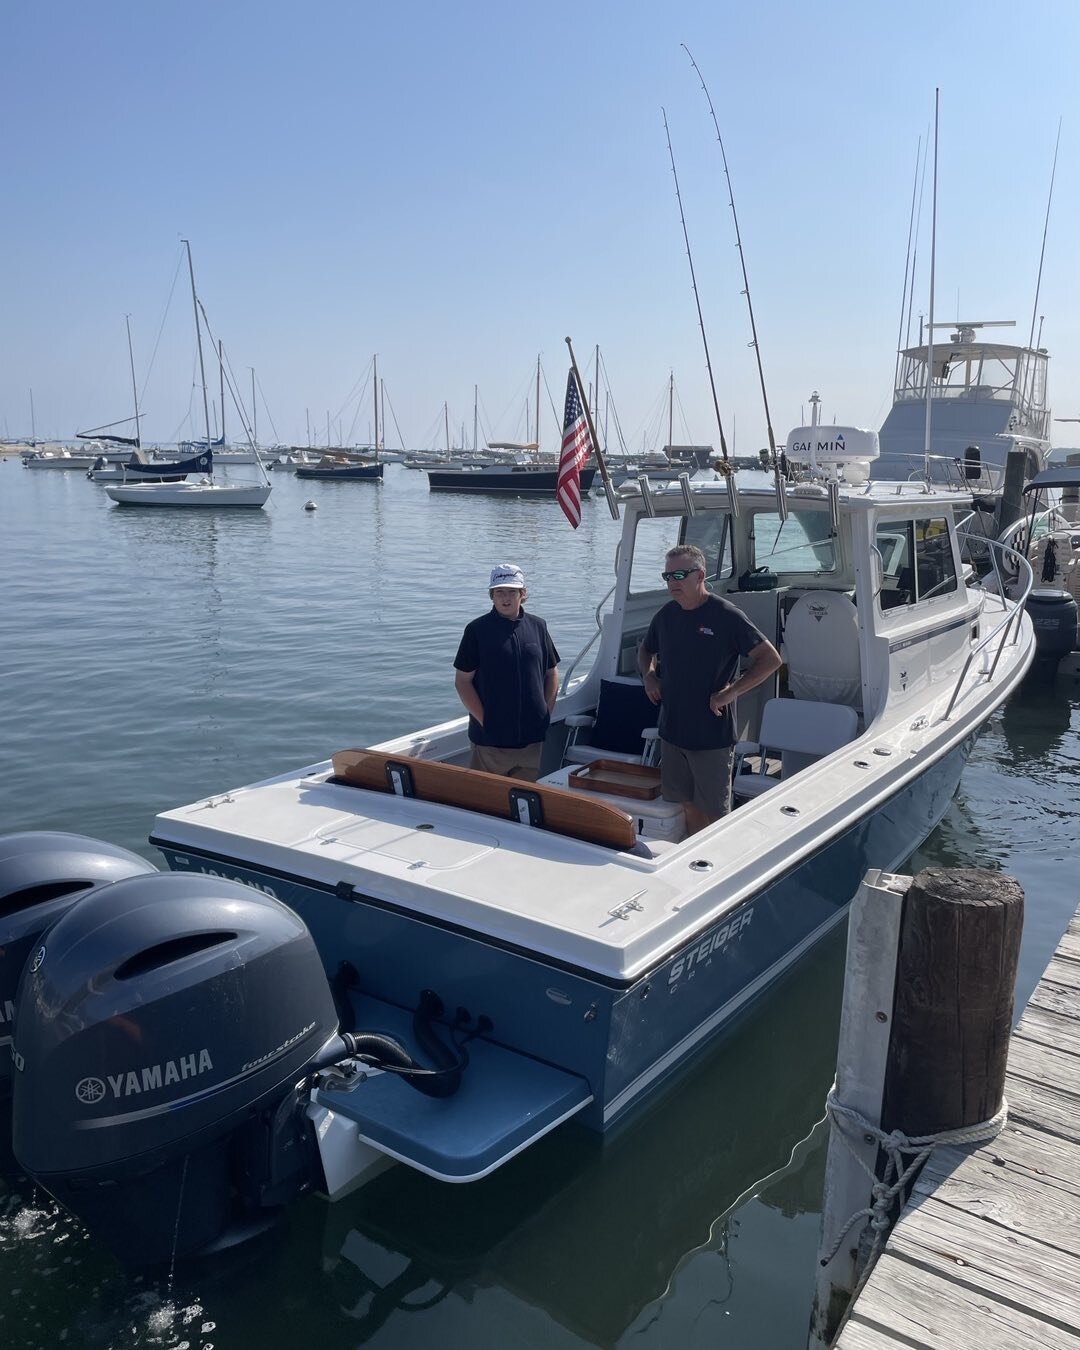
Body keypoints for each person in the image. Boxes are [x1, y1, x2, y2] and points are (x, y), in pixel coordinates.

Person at [638, 544, 782, 833]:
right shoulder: (666, 615)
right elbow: (644, 650)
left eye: (679, 574)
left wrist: (730, 693)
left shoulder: (726, 615)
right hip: (672, 732)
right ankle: (693, 858)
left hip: (712, 735)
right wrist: (649, 677)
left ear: (700, 574)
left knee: (716, 813)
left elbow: (770, 660)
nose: (672, 582)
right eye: (667, 576)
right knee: (686, 804)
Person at [453, 563, 560, 781]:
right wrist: (486, 721)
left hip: (531, 741)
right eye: (499, 592)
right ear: (491, 595)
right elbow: (462, 682)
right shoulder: (476, 631)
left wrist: (545, 713)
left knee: (523, 803)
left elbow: (552, 672)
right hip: (490, 743)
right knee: (486, 803)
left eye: (512, 591)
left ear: (523, 593)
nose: (506, 598)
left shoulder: (538, 626)